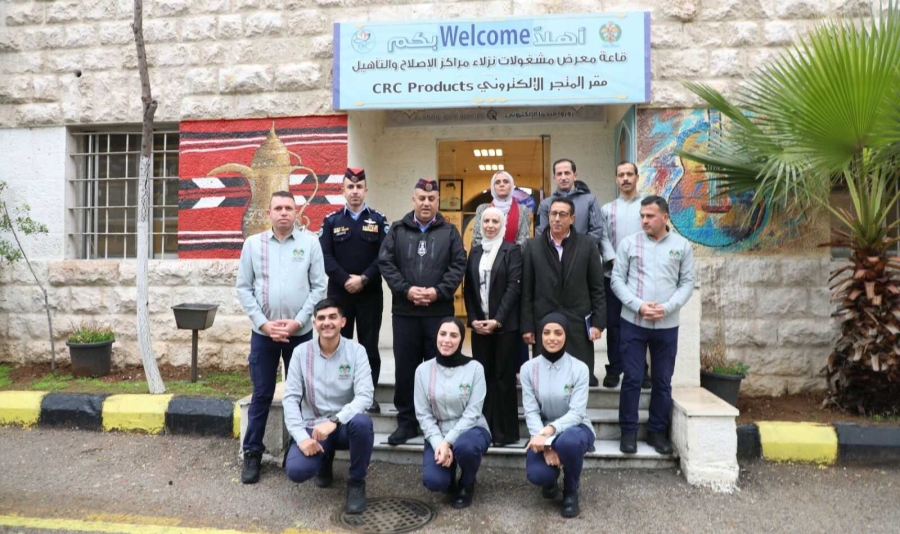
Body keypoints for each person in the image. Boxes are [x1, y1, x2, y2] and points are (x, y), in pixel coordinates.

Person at [236, 191, 326, 484]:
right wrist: (264, 324)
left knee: (304, 395)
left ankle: (300, 448)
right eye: (278, 208)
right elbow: (243, 288)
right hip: (264, 334)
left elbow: (319, 288)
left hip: (300, 333)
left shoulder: (310, 243)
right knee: (262, 393)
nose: (284, 212)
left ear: (296, 212)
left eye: (289, 207)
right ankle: (252, 452)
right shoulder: (253, 245)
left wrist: (298, 322)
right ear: (269, 213)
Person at [379, 178, 468, 445]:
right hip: (405, 312)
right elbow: (386, 263)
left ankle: (435, 424)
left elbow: (458, 264)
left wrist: (438, 291)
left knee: (436, 370)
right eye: (421, 198)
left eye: (431, 199)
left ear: (438, 201)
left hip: (438, 314)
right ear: (413, 200)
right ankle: (406, 422)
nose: (426, 203)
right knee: (406, 369)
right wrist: (406, 290)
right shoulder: (397, 229)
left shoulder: (450, 232)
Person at [611, 196, 695, 455]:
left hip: (667, 325)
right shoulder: (629, 244)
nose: (644, 220)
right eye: (642, 216)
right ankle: (628, 432)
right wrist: (638, 305)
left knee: (662, 380)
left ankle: (657, 432)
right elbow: (616, 280)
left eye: (650, 216)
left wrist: (667, 307)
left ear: (665, 217)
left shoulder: (682, 246)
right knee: (632, 378)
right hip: (633, 323)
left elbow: (687, 283)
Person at [282, 299, 375, 514]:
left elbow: (365, 396)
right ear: (314, 323)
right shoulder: (300, 353)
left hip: (343, 425)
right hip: (313, 426)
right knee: (296, 471)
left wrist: (335, 421)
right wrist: (301, 438)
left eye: (333, 317)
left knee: (362, 423)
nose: (327, 322)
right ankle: (324, 457)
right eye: (321, 318)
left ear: (343, 321)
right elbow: (291, 399)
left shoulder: (357, 351)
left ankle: (356, 482)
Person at [319, 167, 387, 413]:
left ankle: (368, 396)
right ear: (343, 190)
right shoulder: (331, 221)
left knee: (369, 347)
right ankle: (341, 396)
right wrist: (346, 279)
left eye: (359, 187)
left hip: (370, 294)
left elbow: (384, 257)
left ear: (366, 190)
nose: (355, 191)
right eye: (350, 187)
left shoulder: (378, 221)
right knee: (338, 344)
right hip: (340, 296)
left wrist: (364, 279)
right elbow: (325, 257)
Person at [520, 197, 606, 386]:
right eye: (553, 214)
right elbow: (526, 290)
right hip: (544, 322)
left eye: (562, 214)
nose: (557, 218)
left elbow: (597, 288)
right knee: (545, 380)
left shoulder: (587, 245)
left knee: (578, 379)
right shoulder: (533, 246)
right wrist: (527, 326)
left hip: (577, 323)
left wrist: (598, 323)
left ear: (572, 218)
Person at [520, 313, 596, 519]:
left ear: (566, 336)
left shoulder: (580, 368)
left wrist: (548, 433)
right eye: (546, 333)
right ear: (540, 335)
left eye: (558, 333)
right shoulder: (528, 369)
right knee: (538, 475)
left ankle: (571, 490)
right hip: (541, 430)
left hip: (576, 428)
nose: (551, 338)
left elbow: (577, 413)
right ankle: (550, 479)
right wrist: (546, 445)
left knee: (568, 443)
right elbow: (531, 411)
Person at [414, 317, 492, 509]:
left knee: (466, 448)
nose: (447, 340)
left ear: (461, 339)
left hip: (472, 429)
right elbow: (424, 415)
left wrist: (448, 441)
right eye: (443, 334)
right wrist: (439, 444)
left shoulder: (475, 369)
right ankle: (448, 475)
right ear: (436, 337)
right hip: (438, 432)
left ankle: (467, 482)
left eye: (453, 335)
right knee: (435, 482)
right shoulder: (423, 371)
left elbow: (473, 413)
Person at [463, 207, 522, 446]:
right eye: (486, 221)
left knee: (503, 378)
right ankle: (484, 429)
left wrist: (497, 320)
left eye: (495, 221)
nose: (490, 225)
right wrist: (473, 319)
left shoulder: (512, 250)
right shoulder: (475, 251)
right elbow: (468, 289)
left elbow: (513, 288)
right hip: (480, 328)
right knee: (483, 378)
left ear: (503, 225)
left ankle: (504, 433)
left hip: (505, 327)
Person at [599, 162, 650, 390]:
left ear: (637, 177)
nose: (626, 178)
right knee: (614, 324)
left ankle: (641, 371)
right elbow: (603, 238)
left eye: (630, 174)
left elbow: (654, 234)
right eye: (621, 175)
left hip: (642, 275)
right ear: (616, 179)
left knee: (641, 323)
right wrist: (614, 260)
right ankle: (614, 369)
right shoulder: (607, 209)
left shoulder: (648, 206)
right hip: (613, 275)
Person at [536, 159, 602, 244]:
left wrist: (581, 248)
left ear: (575, 176)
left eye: (567, 173)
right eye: (559, 174)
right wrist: (557, 248)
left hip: (583, 251)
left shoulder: (590, 201)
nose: (563, 178)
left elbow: (597, 231)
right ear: (554, 178)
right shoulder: (544, 204)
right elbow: (540, 232)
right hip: (553, 251)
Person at [471, 170, 531, 248]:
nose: (502, 184)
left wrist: (508, 253)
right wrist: (492, 252)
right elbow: (477, 238)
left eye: (506, 182)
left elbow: (523, 240)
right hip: (486, 253)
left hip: (514, 254)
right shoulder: (482, 209)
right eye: (497, 182)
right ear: (493, 187)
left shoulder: (522, 210)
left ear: (511, 186)